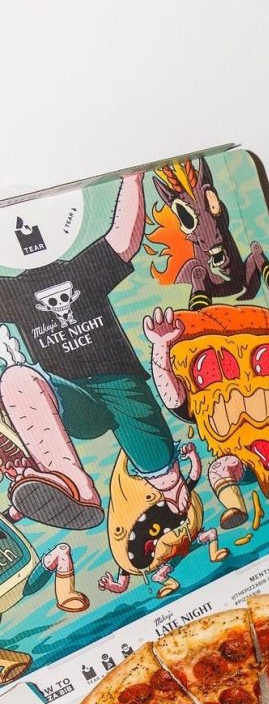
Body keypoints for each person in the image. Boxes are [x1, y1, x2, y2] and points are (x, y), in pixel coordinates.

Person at [0, 174, 190, 531]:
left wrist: (133, 178)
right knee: (16, 379)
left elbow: (123, 239)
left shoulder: (83, 271)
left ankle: (176, 499)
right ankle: (73, 484)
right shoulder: (12, 292)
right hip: (69, 395)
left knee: (164, 475)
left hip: (122, 385)